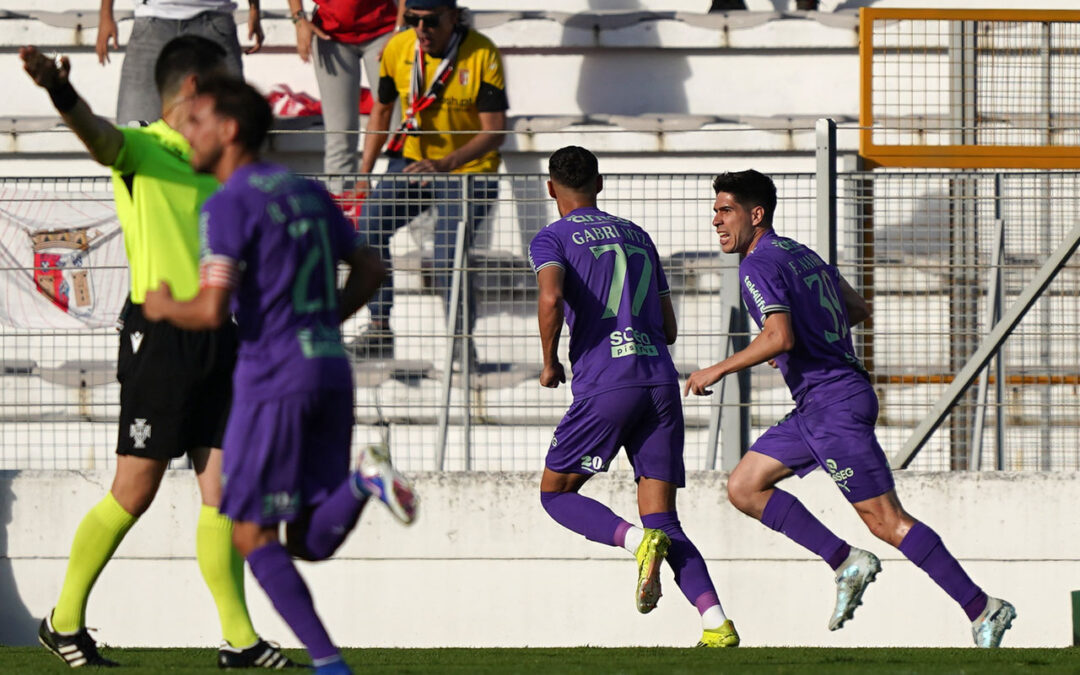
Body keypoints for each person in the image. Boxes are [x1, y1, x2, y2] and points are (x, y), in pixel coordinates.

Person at [22, 37, 291, 669]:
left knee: (223, 494)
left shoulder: (218, 161)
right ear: (193, 88)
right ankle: (63, 622)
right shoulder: (143, 147)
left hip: (220, 335)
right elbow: (98, 137)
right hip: (160, 339)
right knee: (134, 491)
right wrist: (60, 91)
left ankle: (239, 640)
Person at [143, 75, 419, 675]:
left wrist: (163, 306)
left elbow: (214, 309)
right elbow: (372, 265)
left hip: (273, 378)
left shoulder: (229, 202)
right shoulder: (308, 192)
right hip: (329, 369)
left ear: (230, 129)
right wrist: (323, 319)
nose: (186, 131)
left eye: (196, 121)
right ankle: (362, 482)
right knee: (305, 542)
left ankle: (329, 666)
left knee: (250, 533)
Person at [684, 169, 1016, 648]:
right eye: (715, 211)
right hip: (819, 404)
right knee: (744, 486)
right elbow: (857, 309)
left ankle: (983, 608)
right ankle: (844, 561)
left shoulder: (756, 265)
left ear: (756, 215)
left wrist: (717, 369)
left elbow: (780, 336)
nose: (715, 220)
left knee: (886, 521)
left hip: (832, 402)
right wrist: (813, 335)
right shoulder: (800, 253)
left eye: (725, 210)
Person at [529, 146, 739, 648]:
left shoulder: (551, 238)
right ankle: (717, 623)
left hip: (608, 382)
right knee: (664, 517)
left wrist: (549, 360)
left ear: (551, 187)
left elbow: (552, 296)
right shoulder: (639, 235)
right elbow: (668, 327)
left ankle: (636, 543)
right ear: (599, 184)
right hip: (661, 384)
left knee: (555, 494)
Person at [349, 0, 507, 361]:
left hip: (468, 169)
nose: (421, 30)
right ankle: (378, 329)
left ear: (453, 17)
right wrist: (363, 173)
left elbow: (495, 131)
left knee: (448, 253)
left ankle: (461, 343)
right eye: (413, 20)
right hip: (413, 163)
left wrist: (448, 162)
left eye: (431, 21)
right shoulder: (398, 47)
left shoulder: (481, 52)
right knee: (368, 226)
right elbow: (381, 110)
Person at [286, 0, 405, 197]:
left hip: (386, 29)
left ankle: (417, 221)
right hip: (330, 33)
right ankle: (340, 218)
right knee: (339, 136)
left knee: (400, 133)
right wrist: (299, 19)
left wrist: (400, 29)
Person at [96, 0, 264, 126]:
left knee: (234, 123)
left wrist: (254, 9)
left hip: (215, 19)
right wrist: (105, 15)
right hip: (152, 21)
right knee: (134, 125)